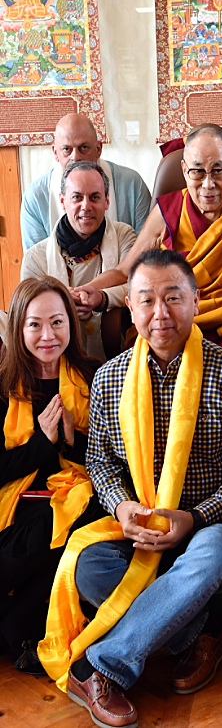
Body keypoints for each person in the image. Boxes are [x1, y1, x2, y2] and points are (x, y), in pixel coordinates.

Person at [38, 250, 222, 728]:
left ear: (196, 300)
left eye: (173, 298)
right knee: (86, 565)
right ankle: (202, 630)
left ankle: (102, 667)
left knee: (215, 556)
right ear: (129, 303)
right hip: (136, 523)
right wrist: (122, 507)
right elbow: (99, 462)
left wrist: (195, 518)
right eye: (147, 300)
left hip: (204, 524)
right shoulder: (111, 377)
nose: (160, 314)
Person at [77, 123, 222, 375]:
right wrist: (85, 291)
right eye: (198, 172)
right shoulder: (167, 213)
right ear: (184, 170)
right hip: (176, 323)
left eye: (218, 171)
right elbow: (124, 272)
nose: (208, 184)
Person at [0, 277, 102, 676]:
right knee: (56, 530)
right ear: (18, 328)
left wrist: (71, 443)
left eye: (57, 322)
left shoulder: (94, 376)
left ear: (71, 326)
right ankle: (14, 621)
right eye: (35, 324)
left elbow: (107, 459)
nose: (47, 336)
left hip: (73, 502)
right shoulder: (4, 384)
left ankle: (14, 620)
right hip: (14, 509)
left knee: (84, 517)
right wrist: (44, 444)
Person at [20, 161, 136, 361]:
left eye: (95, 197)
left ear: (107, 201)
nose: (86, 206)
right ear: (63, 201)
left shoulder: (124, 236)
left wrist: (102, 298)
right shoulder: (35, 258)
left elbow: (138, 286)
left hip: (118, 354)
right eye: (77, 197)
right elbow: (26, 312)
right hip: (57, 362)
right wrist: (63, 300)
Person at [21, 113, 150, 251]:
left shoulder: (132, 184)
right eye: (66, 149)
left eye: (84, 148)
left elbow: (146, 251)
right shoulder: (35, 196)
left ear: (98, 149)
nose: (75, 157)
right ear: (55, 152)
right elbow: (36, 262)